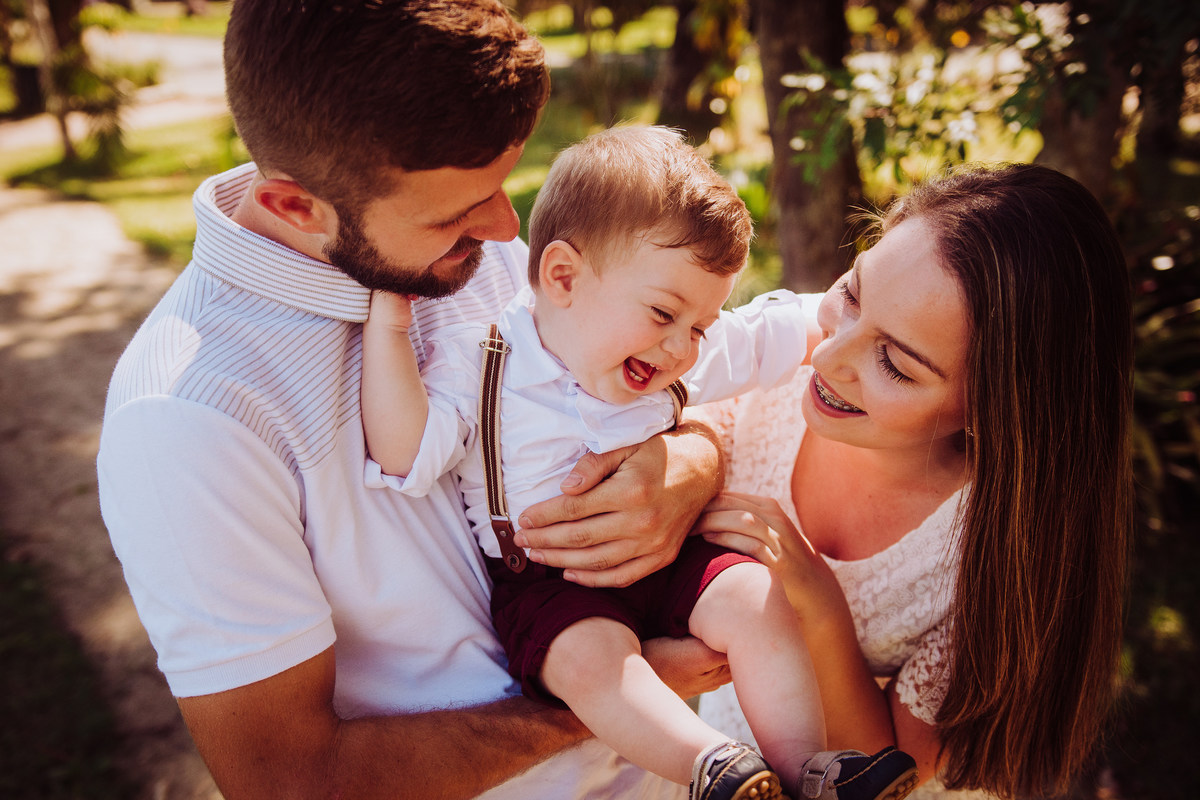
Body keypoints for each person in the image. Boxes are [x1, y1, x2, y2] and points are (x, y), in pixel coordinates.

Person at [96, 3, 736, 798]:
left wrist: (692, 456)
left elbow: (675, 369)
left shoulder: (475, 253)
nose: (508, 230)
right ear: (297, 207)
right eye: (459, 215)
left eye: (504, 186)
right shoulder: (188, 419)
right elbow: (293, 781)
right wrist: (605, 698)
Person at [361, 125, 919, 800]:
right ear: (562, 277)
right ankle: (715, 766)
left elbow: (774, 328)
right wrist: (388, 331)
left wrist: (864, 321)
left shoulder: (673, 357)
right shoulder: (481, 364)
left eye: (700, 326)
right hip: (547, 583)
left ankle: (809, 769)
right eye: (663, 314)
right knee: (593, 665)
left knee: (756, 597)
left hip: (670, 558)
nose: (684, 348)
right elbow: (407, 452)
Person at [692, 163, 1132, 799]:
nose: (826, 355)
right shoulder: (783, 362)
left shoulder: (990, 557)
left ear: (997, 407)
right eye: (850, 294)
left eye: (895, 364)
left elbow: (885, 770)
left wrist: (818, 604)